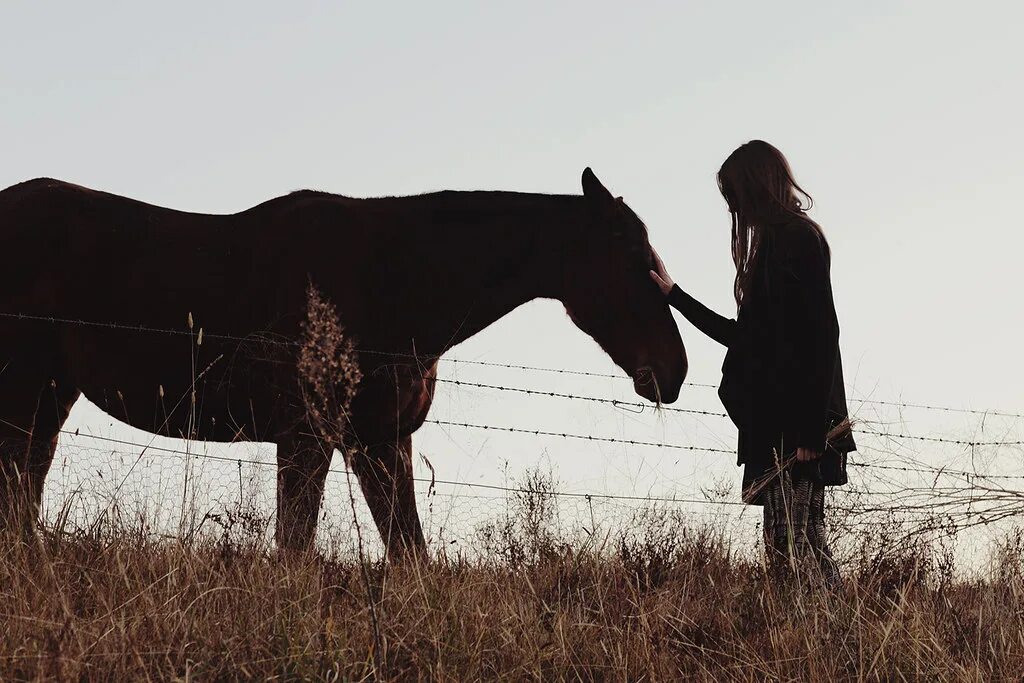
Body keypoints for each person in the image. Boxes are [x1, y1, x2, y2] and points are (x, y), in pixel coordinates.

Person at [649, 140, 855, 587]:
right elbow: (746, 340)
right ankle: (818, 638)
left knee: (797, 546)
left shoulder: (800, 240)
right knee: (790, 544)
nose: (733, 208)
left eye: (735, 195)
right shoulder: (773, 247)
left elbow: (822, 336)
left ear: (756, 188)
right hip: (777, 422)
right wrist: (674, 296)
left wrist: (810, 429)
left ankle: (826, 637)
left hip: (797, 426)